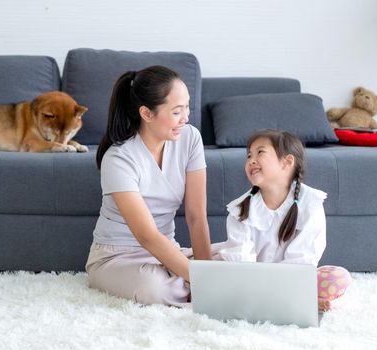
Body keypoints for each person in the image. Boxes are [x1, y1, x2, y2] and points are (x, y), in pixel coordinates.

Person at [85, 65, 212, 307]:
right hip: (117, 256)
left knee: (234, 258)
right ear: (146, 113)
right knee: (153, 289)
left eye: (187, 107)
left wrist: (207, 274)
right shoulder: (119, 158)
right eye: (176, 111)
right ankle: (181, 280)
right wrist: (203, 282)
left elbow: (197, 216)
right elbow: (147, 236)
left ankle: (183, 278)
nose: (185, 118)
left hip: (168, 250)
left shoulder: (190, 138)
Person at [218, 129, 352, 311]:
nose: (251, 160)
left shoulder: (310, 203)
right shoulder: (240, 209)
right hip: (251, 283)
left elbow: (302, 261)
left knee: (338, 277)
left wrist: (288, 290)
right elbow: (241, 265)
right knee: (217, 276)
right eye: (249, 155)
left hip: (292, 281)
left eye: (260, 153)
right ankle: (283, 301)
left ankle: (291, 300)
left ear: (287, 162)